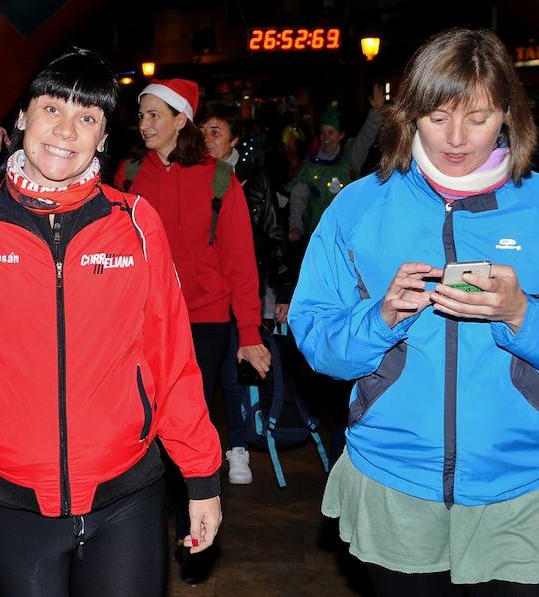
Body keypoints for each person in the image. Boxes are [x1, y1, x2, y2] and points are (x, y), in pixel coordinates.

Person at [0, 48, 223, 597]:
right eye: (51, 109)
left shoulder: (136, 227)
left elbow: (171, 360)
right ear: (21, 118)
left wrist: (201, 475)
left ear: (104, 136)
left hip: (128, 497)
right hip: (11, 503)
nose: (66, 131)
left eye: (87, 117)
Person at [290, 28, 539, 596]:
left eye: (477, 118)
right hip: (394, 477)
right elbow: (315, 338)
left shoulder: (536, 207)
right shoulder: (358, 205)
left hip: (523, 484)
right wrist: (377, 320)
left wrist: (522, 316)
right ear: (408, 115)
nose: (456, 139)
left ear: (508, 114)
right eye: (436, 116)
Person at [113, 79, 266, 580]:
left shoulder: (221, 180)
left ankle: (191, 528)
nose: (146, 124)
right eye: (142, 115)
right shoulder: (129, 175)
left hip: (204, 320)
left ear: (182, 120)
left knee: (186, 425)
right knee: (142, 426)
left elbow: (241, 260)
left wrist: (249, 333)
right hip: (141, 321)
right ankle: (137, 535)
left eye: (157, 114)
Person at [199, 102, 293, 485]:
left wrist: (284, 288)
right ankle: (199, 453)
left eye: (216, 132)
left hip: (242, 292)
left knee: (234, 376)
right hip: (204, 296)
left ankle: (237, 448)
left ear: (234, 139)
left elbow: (273, 236)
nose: (207, 139)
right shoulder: (194, 177)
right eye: (202, 131)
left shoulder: (253, 182)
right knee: (200, 378)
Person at [287, 86, 384, 242]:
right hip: (318, 238)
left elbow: (366, 138)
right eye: (323, 132)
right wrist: (296, 227)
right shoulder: (309, 167)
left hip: (348, 237)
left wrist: (376, 112)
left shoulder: (351, 158)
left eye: (331, 132)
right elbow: (298, 199)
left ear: (341, 135)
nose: (326, 137)